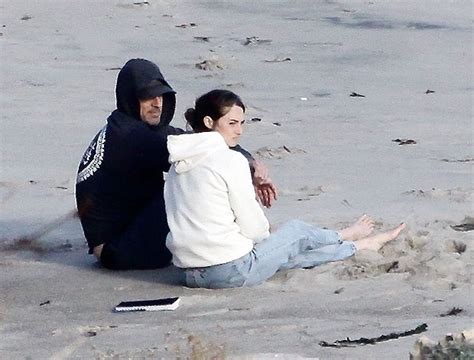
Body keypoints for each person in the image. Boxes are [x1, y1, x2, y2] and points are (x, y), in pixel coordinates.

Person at [164, 89, 406, 288]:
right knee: (295, 232)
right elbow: (254, 228)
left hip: (188, 274)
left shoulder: (177, 164)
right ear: (209, 122)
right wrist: (266, 239)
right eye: (232, 123)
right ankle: (344, 236)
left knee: (287, 253)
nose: (239, 130)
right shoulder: (230, 160)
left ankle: (358, 246)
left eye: (242, 123)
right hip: (229, 271)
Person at [75, 59, 276, 270]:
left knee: (192, 175)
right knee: (194, 178)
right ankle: (232, 242)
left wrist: (251, 164)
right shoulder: (131, 137)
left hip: (124, 232)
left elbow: (196, 141)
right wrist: (248, 168)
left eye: (161, 95)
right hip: (116, 250)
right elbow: (206, 151)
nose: (157, 103)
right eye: (148, 97)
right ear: (130, 97)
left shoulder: (127, 125)